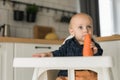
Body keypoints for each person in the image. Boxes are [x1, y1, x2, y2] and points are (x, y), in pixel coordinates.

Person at [32, 13, 103, 80]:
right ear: (72, 32)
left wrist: (95, 52)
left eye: (89, 27)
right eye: (80, 27)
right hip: (67, 75)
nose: (86, 30)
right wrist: (48, 54)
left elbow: (100, 58)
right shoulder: (68, 43)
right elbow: (59, 53)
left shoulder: (94, 45)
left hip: (86, 75)